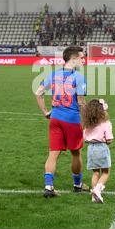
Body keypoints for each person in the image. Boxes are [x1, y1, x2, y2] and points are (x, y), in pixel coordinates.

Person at [35, 46, 89, 198]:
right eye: (82, 57)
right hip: (72, 120)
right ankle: (77, 185)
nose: (84, 60)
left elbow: (38, 93)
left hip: (56, 119)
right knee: (76, 152)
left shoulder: (53, 75)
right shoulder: (79, 77)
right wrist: (85, 123)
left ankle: (48, 186)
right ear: (73, 59)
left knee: (53, 154)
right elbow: (80, 102)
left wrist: (46, 112)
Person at [82, 98, 113, 203]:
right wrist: (107, 141)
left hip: (91, 149)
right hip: (102, 148)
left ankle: (94, 196)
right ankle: (97, 190)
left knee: (95, 173)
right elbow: (109, 139)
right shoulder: (106, 123)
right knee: (106, 172)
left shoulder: (88, 124)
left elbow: (84, 138)